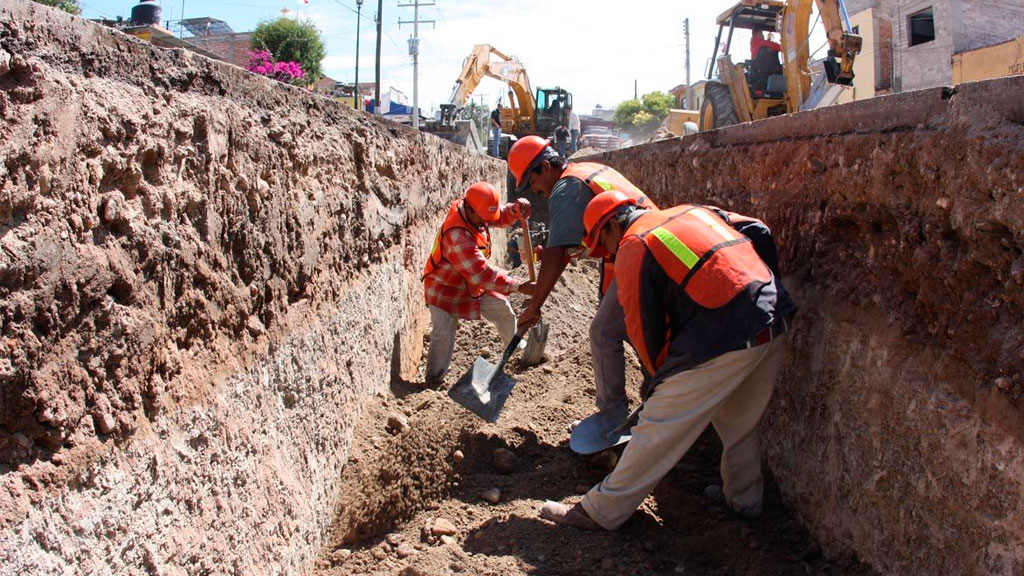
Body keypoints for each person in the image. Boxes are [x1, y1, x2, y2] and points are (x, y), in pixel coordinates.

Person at [539, 190, 798, 531]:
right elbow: (758, 230)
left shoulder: (633, 244)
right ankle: (744, 502)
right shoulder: (691, 210)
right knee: (738, 422)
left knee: (656, 428)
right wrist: (765, 289)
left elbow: (644, 329)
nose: (610, 255)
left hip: (727, 334)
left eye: (605, 246)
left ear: (613, 226)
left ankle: (600, 512)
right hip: (773, 317)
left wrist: (659, 383)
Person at [507, 135, 657, 438]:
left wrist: (533, 306)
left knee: (603, 331)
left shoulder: (565, 188)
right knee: (631, 329)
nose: (533, 191)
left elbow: (556, 254)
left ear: (546, 166)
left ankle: (613, 417)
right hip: (649, 247)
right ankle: (655, 407)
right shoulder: (587, 170)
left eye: (531, 182)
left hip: (639, 255)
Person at [421, 182, 535, 384]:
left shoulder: (475, 213)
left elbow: (497, 216)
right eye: (482, 219)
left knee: (502, 310)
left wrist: (515, 211)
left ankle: (517, 349)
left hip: (468, 284)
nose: (485, 224)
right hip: (444, 288)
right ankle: (433, 381)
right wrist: (519, 286)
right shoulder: (457, 236)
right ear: (469, 208)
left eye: (486, 220)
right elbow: (482, 275)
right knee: (443, 333)